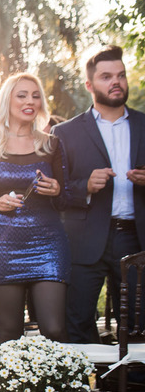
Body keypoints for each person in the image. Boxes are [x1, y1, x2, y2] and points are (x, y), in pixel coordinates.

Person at [0, 73, 68, 343]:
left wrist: (57, 190)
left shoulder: (52, 144)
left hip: (47, 244)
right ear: (7, 100)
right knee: (8, 332)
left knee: (54, 329)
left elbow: (66, 197)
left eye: (35, 95)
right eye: (22, 95)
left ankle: (57, 386)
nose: (30, 101)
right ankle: (9, 385)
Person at [54, 44, 145, 343]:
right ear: (90, 85)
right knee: (77, 323)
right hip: (83, 241)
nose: (116, 82)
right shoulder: (65, 133)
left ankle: (131, 391)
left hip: (136, 239)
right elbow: (55, 195)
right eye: (106, 76)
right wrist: (85, 187)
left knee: (137, 326)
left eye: (120, 75)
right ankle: (87, 390)